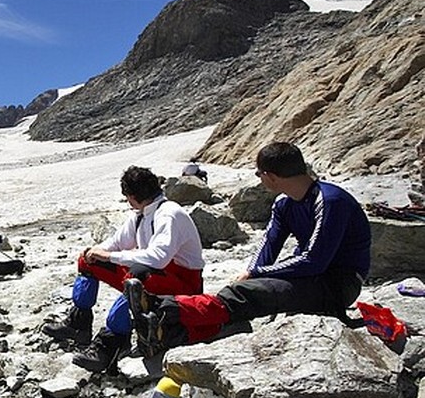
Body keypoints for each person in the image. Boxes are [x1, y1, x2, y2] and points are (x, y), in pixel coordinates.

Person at [125, 142, 371, 354]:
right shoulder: (284, 203)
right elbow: (269, 243)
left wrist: (257, 275)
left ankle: (162, 307)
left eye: (258, 174)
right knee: (246, 292)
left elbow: (314, 260)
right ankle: (166, 334)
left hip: (339, 282)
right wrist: (250, 272)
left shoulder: (330, 200)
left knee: (255, 293)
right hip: (311, 276)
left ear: (270, 176)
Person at [45, 166, 204, 373]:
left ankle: (110, 344)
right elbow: (118, 242)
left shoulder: (169, 214)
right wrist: (96, 252)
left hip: (184, 284)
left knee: (135, 277)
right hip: (161, 275)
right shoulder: (141, 214)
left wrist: (110, 256)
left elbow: (158, 258)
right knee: (88, 261)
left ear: (131, 195)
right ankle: (78, 325)